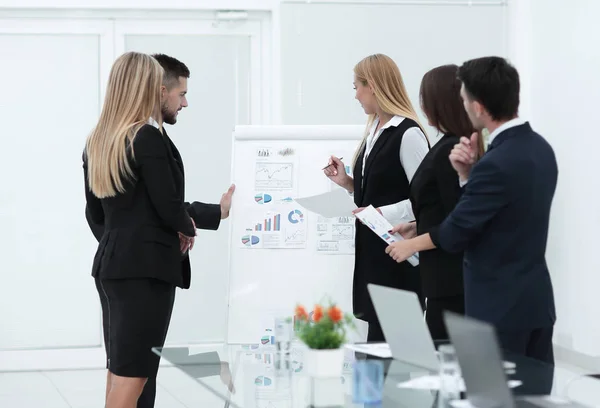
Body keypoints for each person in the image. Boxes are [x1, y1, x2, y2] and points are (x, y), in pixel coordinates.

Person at [85, 53, 236, 408]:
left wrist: (131, 239)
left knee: (121, 369)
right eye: (178, 93)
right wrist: (183, 228)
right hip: (145, 271)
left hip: (112, 266)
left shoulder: (100, 140)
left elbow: (97, 213)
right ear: (151, 88)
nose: (183, 101)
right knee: (135, 374)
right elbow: (167, 206)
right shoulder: (147, 137)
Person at [385, 56, 557, 364]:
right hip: (536, 302)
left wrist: (416, 237)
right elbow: (500, 216)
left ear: (477, 106)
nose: (462, 106)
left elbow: (455, 233)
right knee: (534, 395)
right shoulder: (540, 149)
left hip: (499, 308)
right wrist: (466, 177)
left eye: (464, 99)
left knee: (491, 397)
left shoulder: (496, 163)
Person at [324, 54, 429, 341]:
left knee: (397, 357)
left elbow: (427, 200)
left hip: (399, 262)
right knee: (376, 353)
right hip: (373, 260)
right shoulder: (372, 133)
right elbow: (378, 191)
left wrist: (385, 213)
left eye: (356, 87)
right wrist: (347, 183)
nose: (356, 95)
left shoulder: (408, 134)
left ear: (372, 86)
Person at [390, 64, 484, 340]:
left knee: (447, 366)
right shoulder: (449, 145)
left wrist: (412, 244)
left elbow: (457, 222)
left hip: (451, 280)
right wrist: (415, 226)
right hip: (443, 278)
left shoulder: (451, 151)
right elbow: (445, 209)